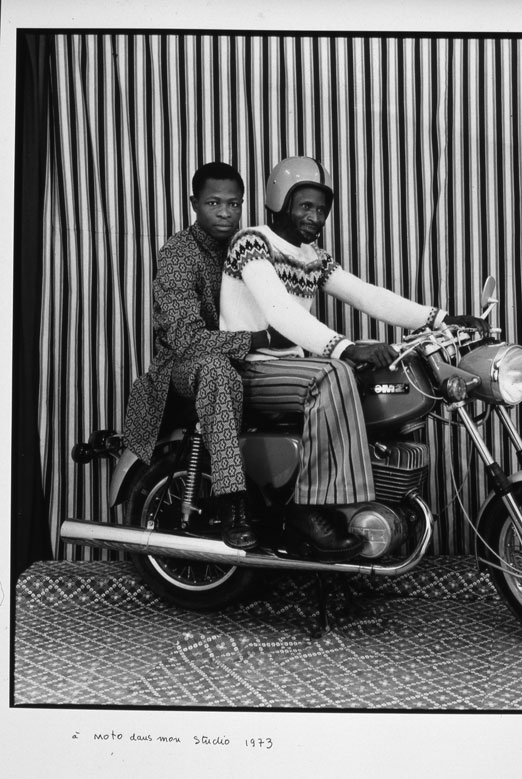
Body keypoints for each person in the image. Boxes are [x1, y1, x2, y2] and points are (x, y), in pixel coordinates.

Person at [220, 155, 486, 561]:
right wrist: (344, 347)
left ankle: (377, 504)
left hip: (289, 369)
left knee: (374, 374)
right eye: (305, 205)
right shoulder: (252, 242)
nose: (315, 216)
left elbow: (366, 295)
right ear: (280, 200)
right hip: (252, 368)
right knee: (332, 373)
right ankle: (309, 510)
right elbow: (278, 311)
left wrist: (441, 319)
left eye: (321, 209)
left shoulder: (313, 256)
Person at [123, 162, 270, 549]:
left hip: (242, 363)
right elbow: (186, 338)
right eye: (213, 203)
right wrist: (254, 340)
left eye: (234, 204)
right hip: (182, 367)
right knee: (217, 370)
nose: (225, 212)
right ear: (194, 203)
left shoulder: (249, 248)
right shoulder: (178, 252)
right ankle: (233, 507)